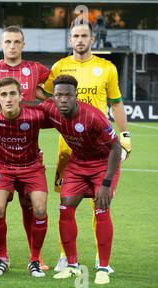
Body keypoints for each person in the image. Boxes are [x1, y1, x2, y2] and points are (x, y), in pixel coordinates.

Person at [42, 22, 130, 273]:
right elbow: (45, 96)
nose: (80, 40)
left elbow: (116, 103)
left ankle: (101, 260)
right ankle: (64, 256)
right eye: (76, 36)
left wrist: (125, 134)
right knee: (65, 203)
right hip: (68, 148)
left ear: (93, 39)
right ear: (70, 40)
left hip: (98, 138)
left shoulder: (106, 68)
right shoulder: (60, 66)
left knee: (99, 205)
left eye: (84, 36)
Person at [42, 75, 122, 285]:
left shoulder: (93, 117)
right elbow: (33, 105)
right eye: (59, 95)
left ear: (76, 95)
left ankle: (103, 267)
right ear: (54, 97)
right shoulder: (51, 108)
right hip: (78, 163)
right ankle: (71, 265)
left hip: (103, 163)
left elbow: (116, 148)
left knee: (101, 207)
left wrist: (106, 183)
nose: (63, 99)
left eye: (68, 95)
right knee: (65, 207)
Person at [0, 25, 50, 271]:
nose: (12, 46)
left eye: (16, 41)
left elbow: (48, 92)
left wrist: (41, 104)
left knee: (30, 204)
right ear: (1, 44)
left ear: (23, 44)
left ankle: (36, 256)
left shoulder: (37, 69)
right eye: (7, 41)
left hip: (28, 141)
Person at [0, 77, 49, 277]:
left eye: (13, 94)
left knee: (40, 210)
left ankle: (34, 260)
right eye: (4, 95)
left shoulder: (35, 115)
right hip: (2, 167)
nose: (8, 98)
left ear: (21, 96)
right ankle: (3, 258)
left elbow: (60, 114)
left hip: (31, 167)